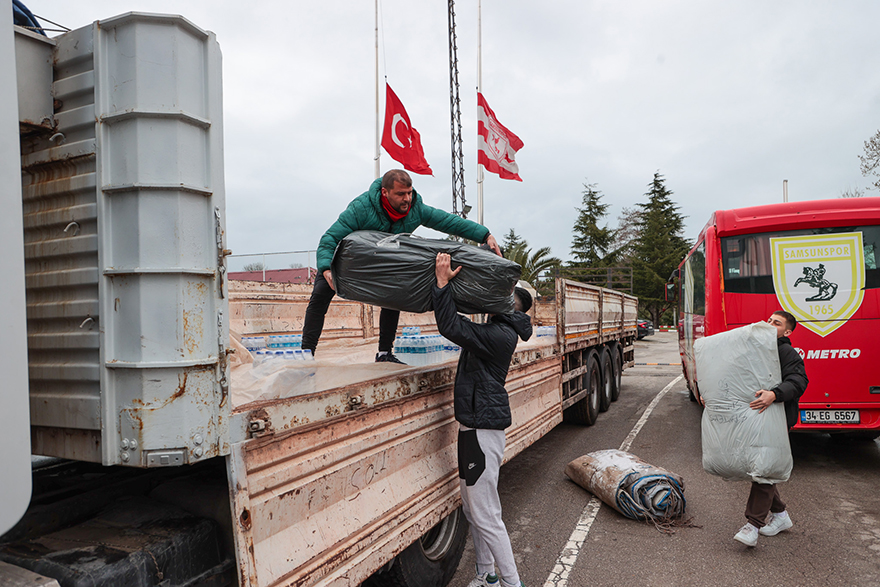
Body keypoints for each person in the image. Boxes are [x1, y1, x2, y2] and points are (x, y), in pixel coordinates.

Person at [303, 169, 502, 364]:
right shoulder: (361, 208)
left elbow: (448, 222)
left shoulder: (415, 208)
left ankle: (384, 353)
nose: (407, 198)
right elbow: (330, 238)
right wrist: (326, 269)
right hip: (348, 260)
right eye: (400, 194)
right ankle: (306, 353)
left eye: (409, 192)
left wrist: (485, 235)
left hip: (382, 261)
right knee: (320, 292)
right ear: (385, 193)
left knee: (395, 293)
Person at [432, 252, 531, 587]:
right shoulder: (496, 329)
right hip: (473, 427)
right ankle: (486, 575)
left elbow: (451, 326)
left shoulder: (499, 336)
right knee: (473, 510)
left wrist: (442, 284)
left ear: (510, 306)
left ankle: (511, 582)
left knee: (487, 514)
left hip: (481, 431)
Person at [732, 310, 808, 547]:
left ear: (787, 331)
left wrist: (775, 394)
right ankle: (781, 516)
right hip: (757, 417)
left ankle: (753, 525)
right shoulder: (757, 350)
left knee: (764, 469)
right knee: (760, 467)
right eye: (768, 321)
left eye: (776, 323)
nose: (769, 324)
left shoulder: (787, 352)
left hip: (777, 418)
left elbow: (799, 381)